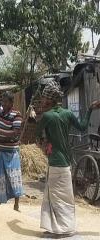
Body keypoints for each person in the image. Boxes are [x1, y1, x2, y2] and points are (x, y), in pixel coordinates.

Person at [35, 82, 100, 237]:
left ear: (50, 100)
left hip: (55, 162)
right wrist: (90, 108)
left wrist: (45, 146)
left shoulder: (47, 116)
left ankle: (60, 229)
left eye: (44, 98)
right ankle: (66, 227)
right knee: (65, 197)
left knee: (54, 196)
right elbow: (83, 126)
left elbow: (37, 135)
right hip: (67, 162)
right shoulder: (68, 113)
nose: (42, 101)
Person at [0, 90, 23, 211]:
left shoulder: (16, 115)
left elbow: (14, 133)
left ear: (11, 103)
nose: (3, 104)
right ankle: (0, 205)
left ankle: (16, 204)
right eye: (2, 101)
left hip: (11, 151)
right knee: (0, 177)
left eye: (5, 102)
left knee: (13, 176)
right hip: (0, 150)